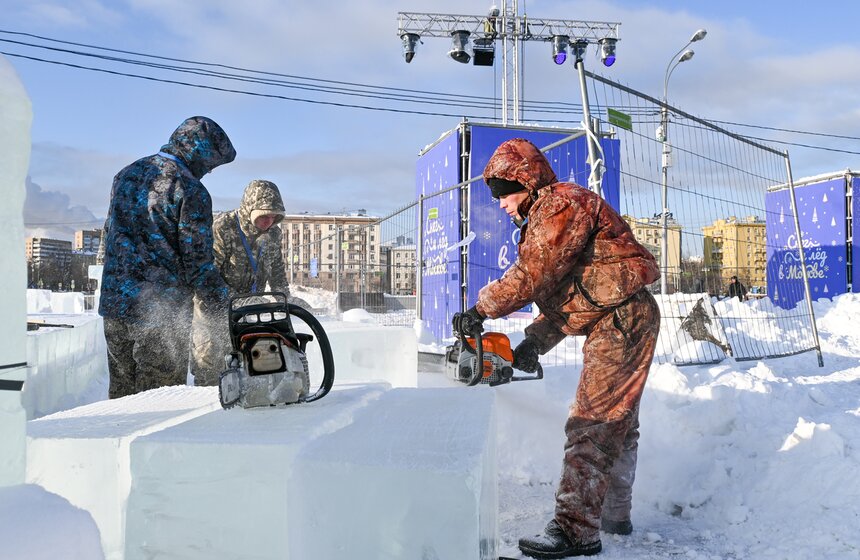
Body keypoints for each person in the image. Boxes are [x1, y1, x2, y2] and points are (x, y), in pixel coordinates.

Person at [452, 138, 660, 558]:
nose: (502, 204)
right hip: (617, 314)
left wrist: (480, 309)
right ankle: (614, 515)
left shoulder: (561, 204)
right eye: (495, 196)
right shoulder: (551, 212)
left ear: (526, 181)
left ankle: (576, 529)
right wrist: (533, 344)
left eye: (505, 193)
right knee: (617, 425)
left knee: (593, 422)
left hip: (622, 319)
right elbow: (576, 295)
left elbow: (533, 273)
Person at [99, 116, 236, 399]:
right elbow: (197, 262)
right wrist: (226, 302)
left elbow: (109, 233)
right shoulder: (189, 189)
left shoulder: (126, 174)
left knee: (121, 400)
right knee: (158, 403)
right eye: (211, 163)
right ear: (201, 151)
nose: (209, 171)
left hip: (115, 307)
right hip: (161, 314)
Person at [190, 179, 290, 386]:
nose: (268, 222)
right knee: (210, 363)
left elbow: (277, 269)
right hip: (212, 307)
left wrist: (284, 296)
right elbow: (208, 272)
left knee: (249, 359)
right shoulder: (224, 227)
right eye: (264, 216)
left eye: (274, 217)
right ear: (250, 210)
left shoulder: (272, 233)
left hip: (248, 309)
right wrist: (230, 299)